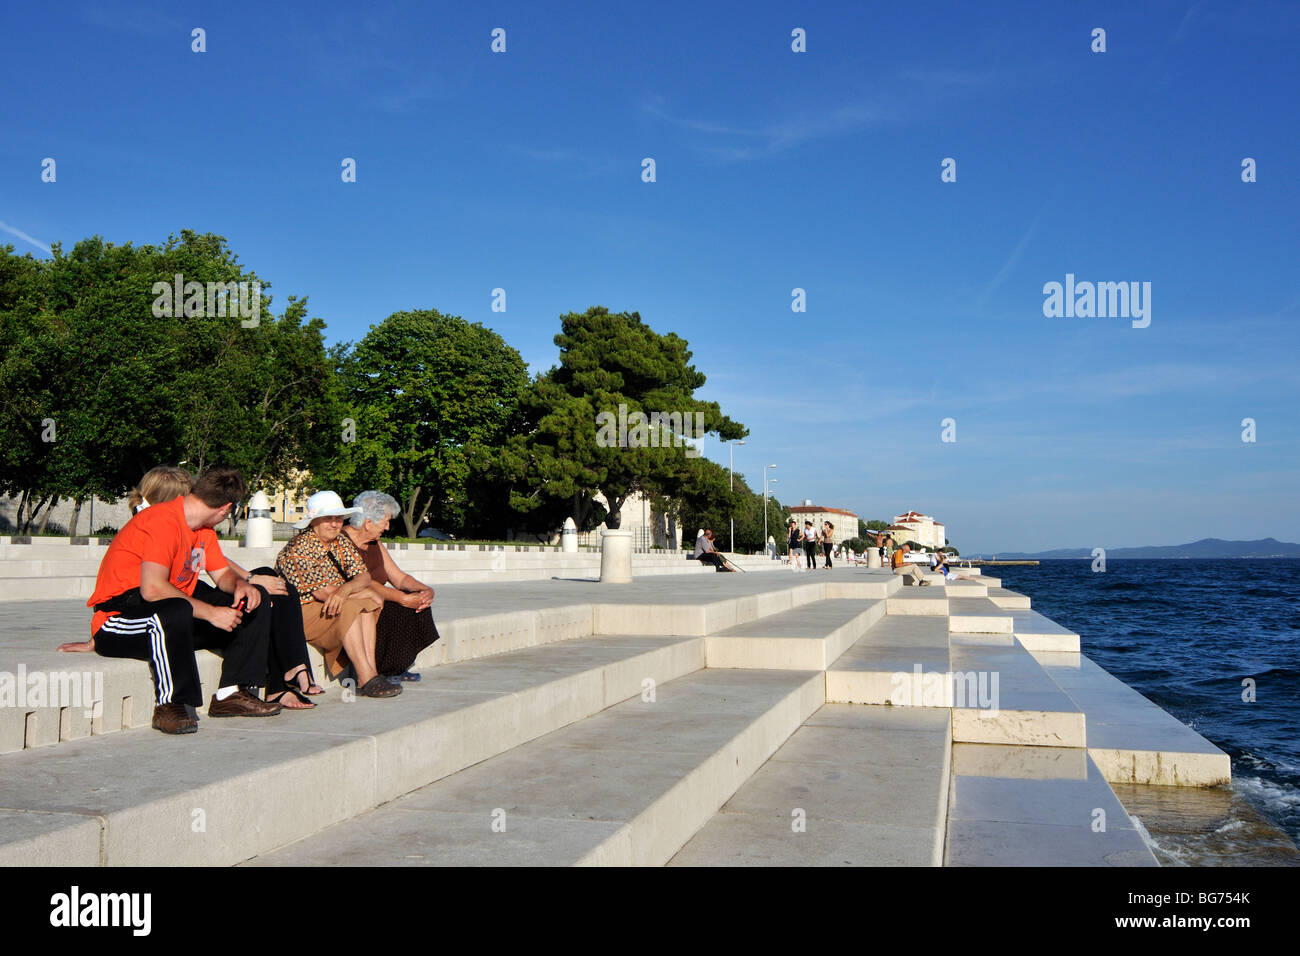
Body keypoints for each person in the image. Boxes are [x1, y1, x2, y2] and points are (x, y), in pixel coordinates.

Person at [64, 466, 282, 735]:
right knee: (175, 610)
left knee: (253, 600)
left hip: (171, 615)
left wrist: (240, 585)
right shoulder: (163, 520)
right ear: (226, 509)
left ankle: (232, 693)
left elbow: (222, 573)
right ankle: (171, 705)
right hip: (118, 620)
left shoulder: (203, 529)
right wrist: (212, 613)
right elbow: (153, 589)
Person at [275, 491, 400, 699]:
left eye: (338, 518)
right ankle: (366, 677)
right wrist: (359, 592)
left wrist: (346, 590)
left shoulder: (339, 543)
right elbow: (325, 594)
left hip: (335, 601)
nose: (335, 524)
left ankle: (371, 673)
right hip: (302, 612)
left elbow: (363, 576)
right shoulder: (298, 550)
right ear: (313, 520)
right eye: (328, 519)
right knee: (360, 604)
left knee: (366, 605)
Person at [338, 491, 440, 681]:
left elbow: (399, 578)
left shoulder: (375, 542)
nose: (387, 527)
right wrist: (402, 598)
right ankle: (383, 669)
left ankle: (398, 665)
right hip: (363, 599)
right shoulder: (342, 542)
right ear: (368, 522)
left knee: (419, 604)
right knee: (396, 607)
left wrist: (425, 590)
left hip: (378, 596)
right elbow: (365, 583)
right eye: (385, 521)